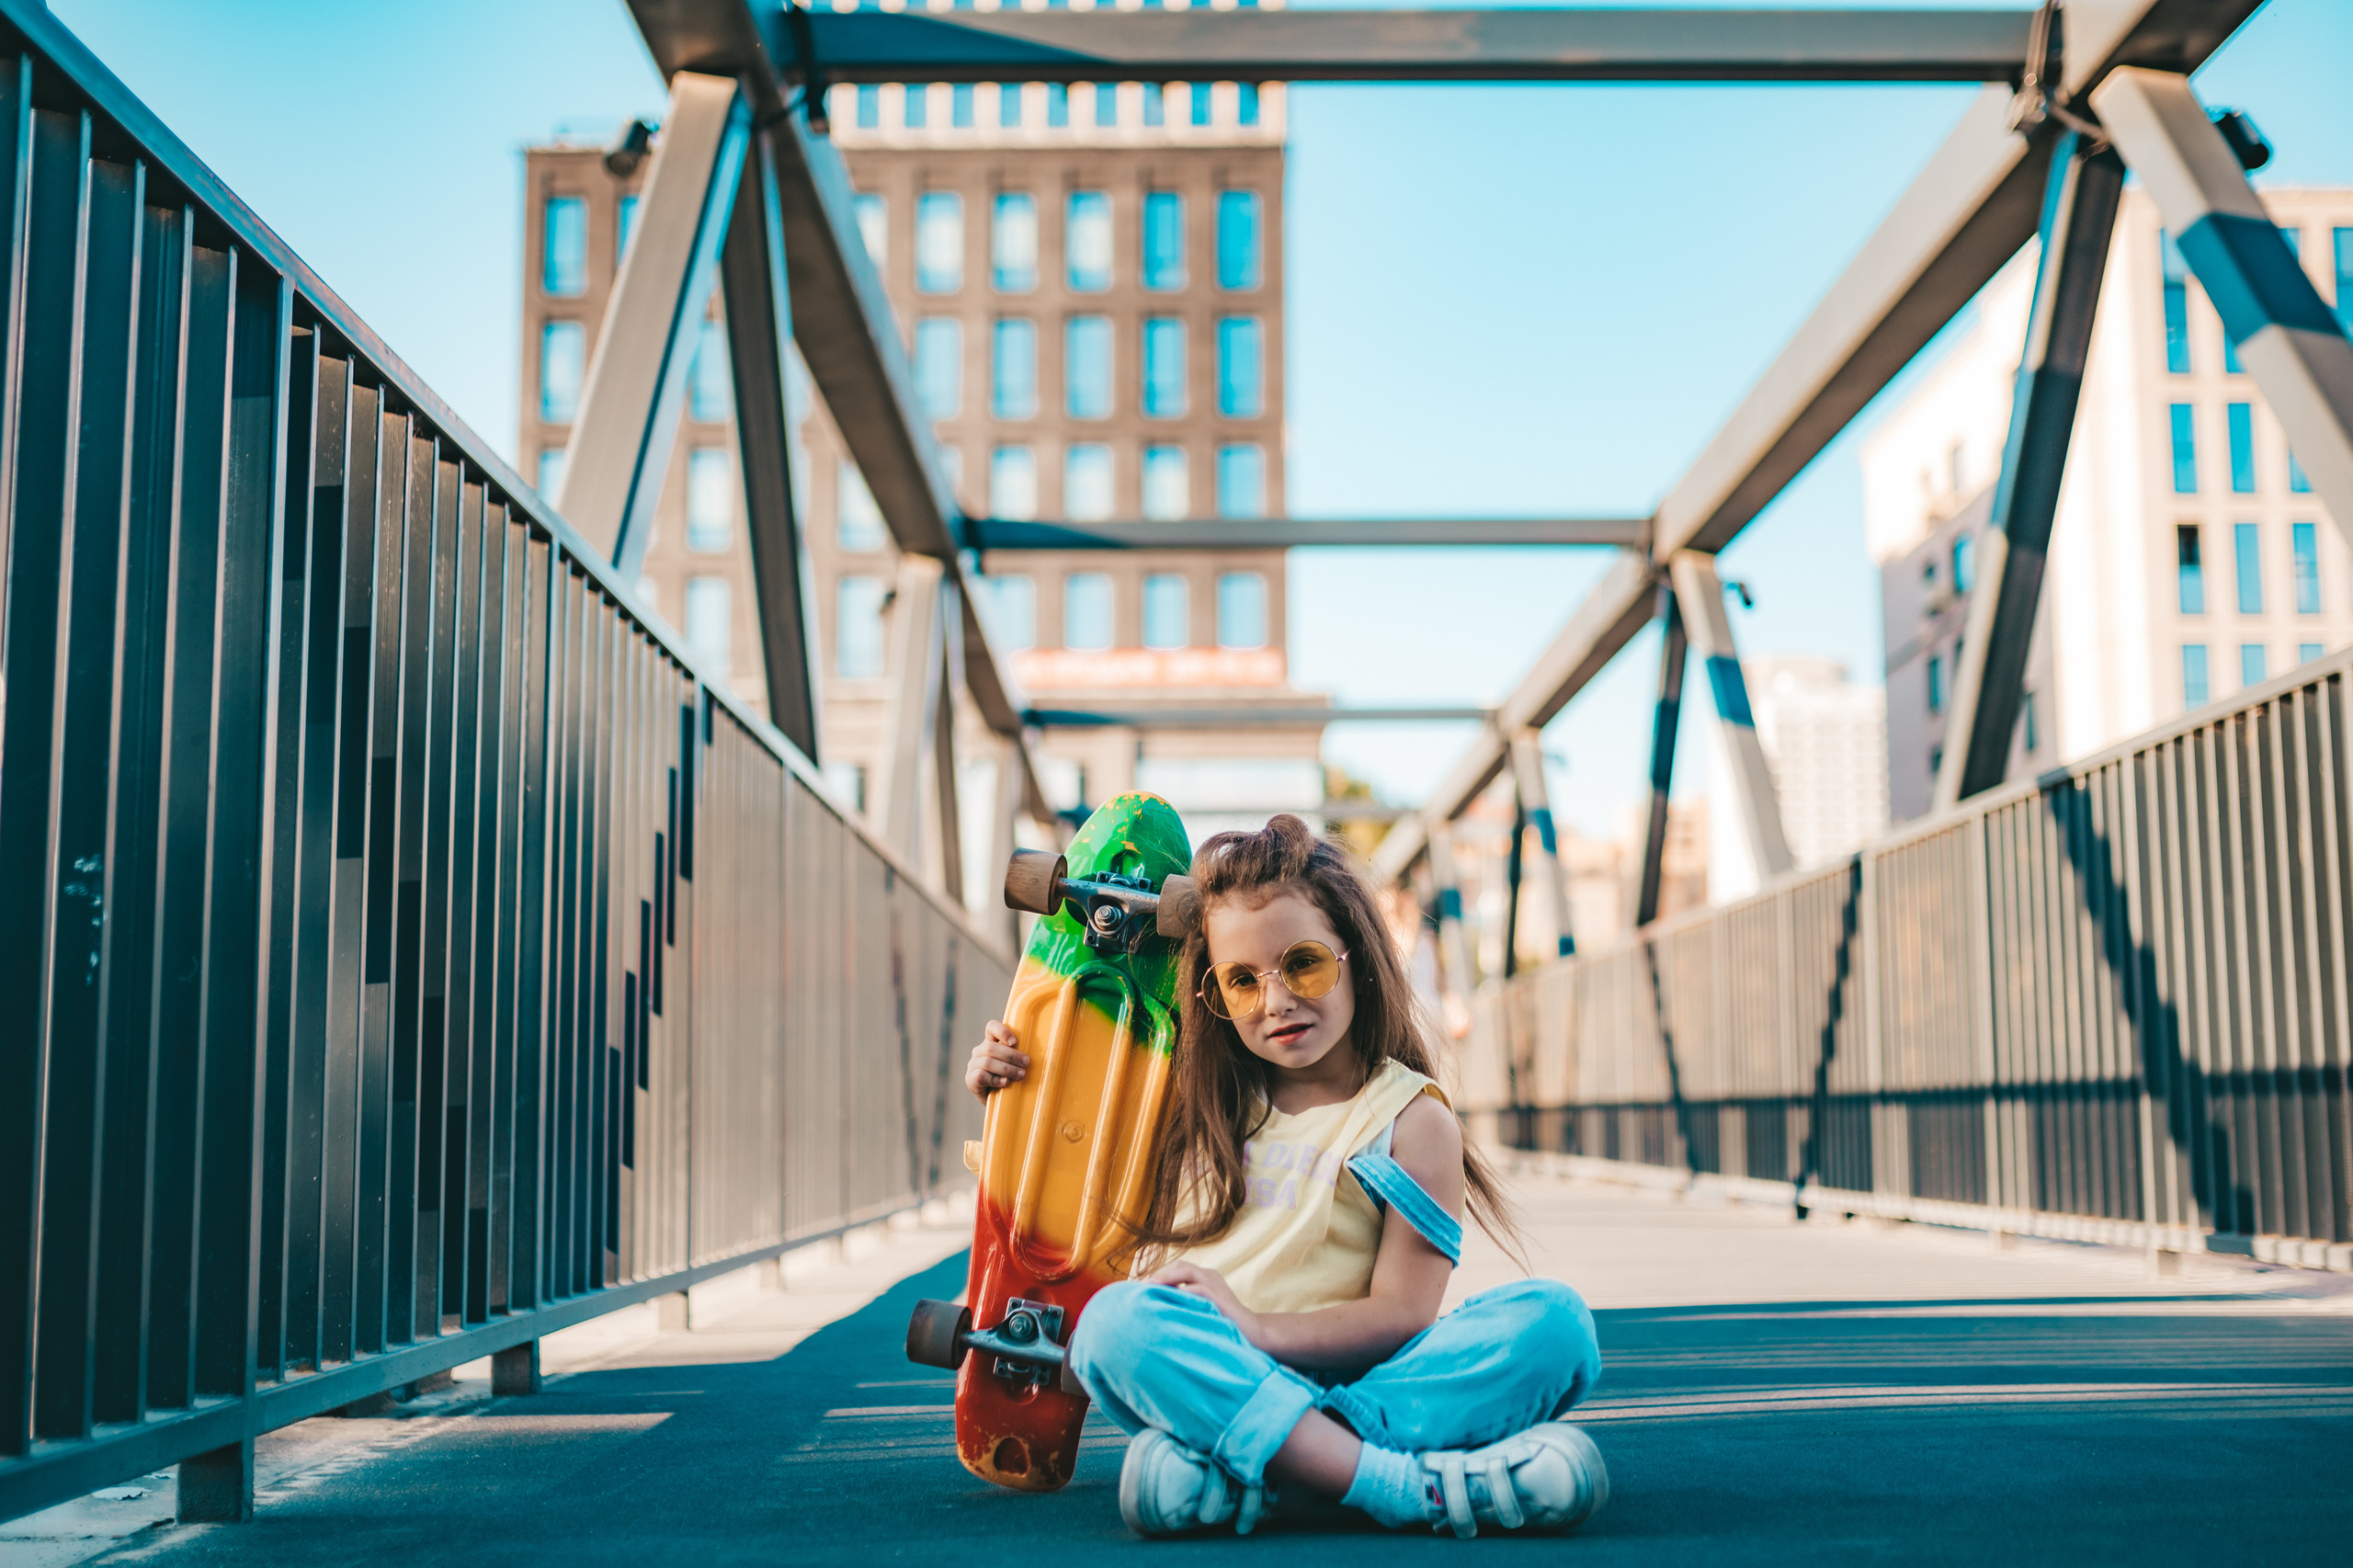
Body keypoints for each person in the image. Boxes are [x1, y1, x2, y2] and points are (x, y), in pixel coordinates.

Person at [963, 814, 1607, 1540]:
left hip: (1363, 1383)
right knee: (1115, 1327)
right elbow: (1068, 1144)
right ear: (1215, 993)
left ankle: (1258, 1474)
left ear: (1356, 955)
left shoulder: (1410, 1120)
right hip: (1219, 1371)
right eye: (1241, 982)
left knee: (1557, 1324)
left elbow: (1402, 1314)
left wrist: (1258, 1328)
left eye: (1304, 964)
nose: (1276, 1002)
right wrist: (1008, 1082)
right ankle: (1393, 1483)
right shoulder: (1194, 1100)